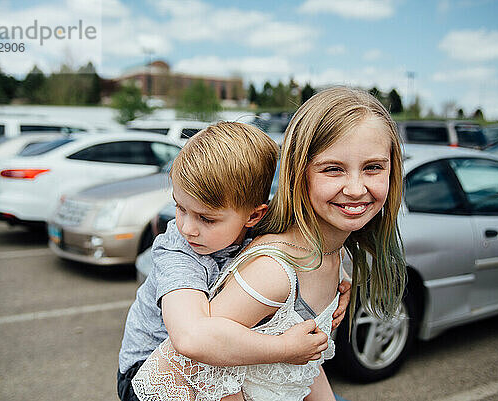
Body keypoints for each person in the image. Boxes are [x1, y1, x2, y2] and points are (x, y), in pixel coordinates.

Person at [131, 87, 407, 401]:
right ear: (298, 172)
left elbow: (303, 369)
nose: (356, 188)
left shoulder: (311, 249)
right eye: (333, 169)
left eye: (373, 167)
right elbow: (187, 354)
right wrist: (285, 348)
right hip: (143, 370)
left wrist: (341, 275)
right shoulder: (265, 269)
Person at [117, 121, 352, 401]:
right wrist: (284, 349)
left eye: (206, 218)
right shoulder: (178, 253)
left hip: (217, 362)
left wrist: (340, 277)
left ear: (254, 216)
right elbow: (190, 337)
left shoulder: (258, 225)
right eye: (180, 208)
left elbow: (306, 240)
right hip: (149, 376)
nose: (187, 228)